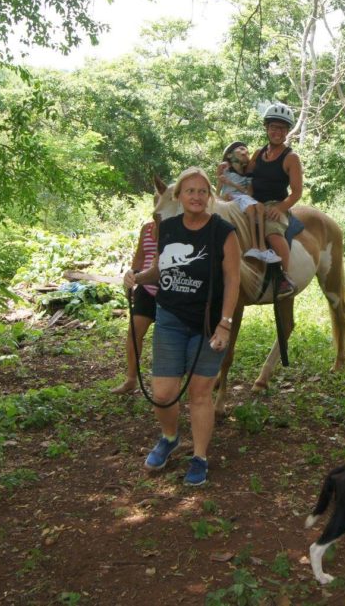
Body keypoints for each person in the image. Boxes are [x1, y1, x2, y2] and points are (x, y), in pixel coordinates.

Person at [123, 167, 241, 485]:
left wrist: (226, 324)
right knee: (163, 394)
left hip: (208, 323)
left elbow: (233, 279)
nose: (196, 197)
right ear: (178, 197)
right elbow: (161, 267)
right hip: (171, 319)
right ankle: (170, 436)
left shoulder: (223, 232)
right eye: (190, 191)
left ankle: (200, 457)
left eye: (202, 191)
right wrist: (138, 277)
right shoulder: (171, 228)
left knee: (200, 395)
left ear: (209, 197)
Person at [247, 103, 303, 297]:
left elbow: (296, 192)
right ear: (266, 128)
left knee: (272, 233)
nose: (277, 132)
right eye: (273, 127)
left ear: (287, 131)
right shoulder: (258, 153)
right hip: (252, 203)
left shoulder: (291, 158)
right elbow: (246, 174)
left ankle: (283, 277)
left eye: (282, 128)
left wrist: (281, 208)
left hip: (275, 205)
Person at [111, 219, 159, 394]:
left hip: (169, 290)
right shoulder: (147, 228)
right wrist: (132, 279)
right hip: (145, 288)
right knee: (134, 333)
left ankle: (166, 383)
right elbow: (140, 256)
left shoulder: (179, 226)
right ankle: (131, 379)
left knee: (165, 339)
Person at [217, 141, 276, 263]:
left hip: (243, 197)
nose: (246, 152)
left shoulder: (248, 176)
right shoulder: (225, 170)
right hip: (232, 198)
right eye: (241, 149)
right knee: (250, 207)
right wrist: (221, 197)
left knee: (259, 207)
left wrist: (232, 184)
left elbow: (248, 193)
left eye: (247, 151)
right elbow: (218, 190)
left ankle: (261, 247)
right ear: (229, 155)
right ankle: (254, 246)